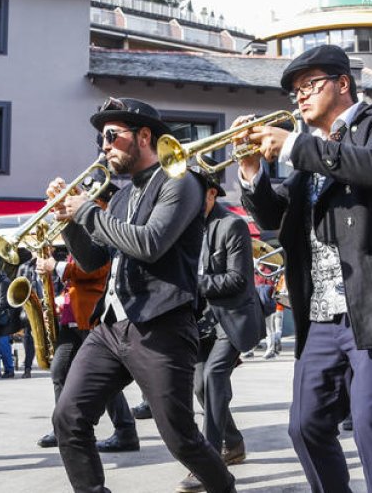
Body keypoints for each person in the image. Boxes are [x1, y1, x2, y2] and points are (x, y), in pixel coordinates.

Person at [236, 45, 372, 492]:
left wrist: (293, 145)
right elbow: (274, 217)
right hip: (321, 314)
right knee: (305, 426)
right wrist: (252, 172)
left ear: (343, 83)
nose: (299, 96)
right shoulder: (309, 157)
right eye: (295, 90)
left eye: (308, 85)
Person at [49, 97, 235, 493]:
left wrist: (86, 212)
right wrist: (68, 221)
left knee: (181, 438)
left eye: (112, 136)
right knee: (68, 417)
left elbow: (150, 244)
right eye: (101, 139)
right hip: (111, 325)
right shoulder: (120, 196)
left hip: (161, 325)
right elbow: (92, 259)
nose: (104, 146)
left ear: (144, 136)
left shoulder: (182, 182)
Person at [178, 160, 264, 492]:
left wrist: (193, 283)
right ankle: (234, 443)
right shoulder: (187, 224)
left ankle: (209, 461)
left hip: (233, 318)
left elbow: (238, 280)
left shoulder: (233, 225)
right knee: (201, 386)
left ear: (212, 193)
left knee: (213, 377)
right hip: (201, 322)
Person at [35, 241, 139, 453]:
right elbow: (75, 280)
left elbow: (96, 269)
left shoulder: (97, 235)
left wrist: (56, 266)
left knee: (103, 375)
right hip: (71, 316)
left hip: (91, 315)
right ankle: (63, 428)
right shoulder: (75, 238)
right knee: (59, 371)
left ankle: (125, 431)